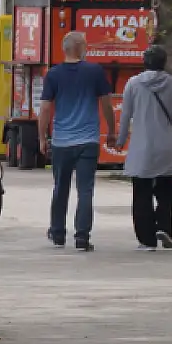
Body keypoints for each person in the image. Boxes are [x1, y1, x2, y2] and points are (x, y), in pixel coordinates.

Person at [38, 31, 116, 251]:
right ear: (81, 47)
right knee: (85, 190)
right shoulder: (95, 72)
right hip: (88, 141)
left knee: (60, 187)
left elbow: (45, 108)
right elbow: (106, 103)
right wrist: (111, 130)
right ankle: (82, 237)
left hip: (61, 141)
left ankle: (58, 233)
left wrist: (42, 137)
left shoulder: (53, 74)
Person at [114, 45, 172, 251]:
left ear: (144, 62)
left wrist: (120, 141)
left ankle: (146, 239)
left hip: (142, 146)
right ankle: (164, 226)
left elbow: (126, 115)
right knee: (165, 191)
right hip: (166, 145)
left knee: (142, 193)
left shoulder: (133, 84)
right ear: (163, 62)